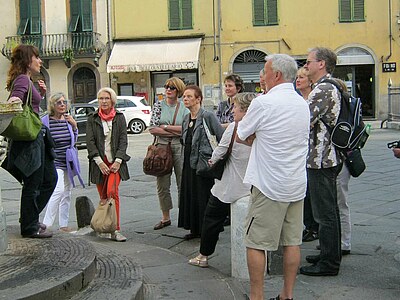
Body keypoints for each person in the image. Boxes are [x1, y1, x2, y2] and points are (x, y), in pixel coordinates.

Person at [237, 54, 310, 300]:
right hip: (296, 183)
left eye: (265, 71)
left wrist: (258, 137)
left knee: (256, 243)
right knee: (292, 242)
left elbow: (242, 134)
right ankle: (287, 296)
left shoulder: (263, 102)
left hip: (269, 184)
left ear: (276, 75)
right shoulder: (302, 103)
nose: (263, 76)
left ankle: (256, 296)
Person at [188, 92, 256, 268]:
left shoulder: (234, 128)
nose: (232, 110)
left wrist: (212, 161)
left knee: (211, 219)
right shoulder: (261, 130)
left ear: (245, 111)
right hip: (252, 187)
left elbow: (219, 152)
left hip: (229, 186)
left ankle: (203, 256)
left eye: (236, 107)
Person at [3, 44, 57, 238]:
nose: (40, 60)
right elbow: (15, 100)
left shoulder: (27, 80)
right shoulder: (23, 80)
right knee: (33, 184)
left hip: (36, 138)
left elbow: (30, 107)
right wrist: (13, 102)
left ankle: (29, 218)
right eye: (37, 57)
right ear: (28, 60)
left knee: (50, 179)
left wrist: (40, 95)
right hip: (29, 141)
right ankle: (29, 227)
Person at [300, 47, 343, 276]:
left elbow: (303, 120)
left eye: (309, 62)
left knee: (325, 214)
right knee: (328, 212)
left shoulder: (323, 89)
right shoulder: (325, 87)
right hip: (325, 158)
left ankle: (329, 263)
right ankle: (328, 254)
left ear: (322, 64)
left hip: (322, 159)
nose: (306, 65)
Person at [178, 85, 224, 240]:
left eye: (189, 96)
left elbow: (220, 135)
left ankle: (207, 230)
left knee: (203, 195)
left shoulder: (207, 116)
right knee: (191, 195)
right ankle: (195, 228)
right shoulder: (186, 118)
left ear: (198, 99)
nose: (185, 99)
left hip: (203, 163)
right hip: (188, 162)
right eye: (184, 96)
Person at [86, 87, 130, 242]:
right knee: (104, 197)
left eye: (106, 98)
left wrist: (118, 160)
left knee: (112, 192)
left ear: (112, 100)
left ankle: (116, 230)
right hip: (99, 163)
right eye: (100, 99)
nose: (103, 101)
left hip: (115, 163)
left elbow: (124, 140)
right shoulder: (92, 118)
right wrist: (99, 162)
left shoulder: (119, 117)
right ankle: (104, 225)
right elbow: (90, 142)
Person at [149, 77, 189, 230]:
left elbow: (186, 129)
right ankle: (165, 217)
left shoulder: (184, 107)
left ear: (178, 90)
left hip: (180, 147)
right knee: (162, 184)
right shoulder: (159, 105)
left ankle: (184, 215)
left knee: (182, 183)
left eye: (172, 87)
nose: (168, 90)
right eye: (166, 87)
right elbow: (152, 128)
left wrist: (165, 127)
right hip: (161, 147)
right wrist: (174, 129)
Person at [41, 93, 84, 232]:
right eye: (58, 102)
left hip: (68, 161)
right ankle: (46, 225)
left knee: (67, 192)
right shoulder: (46, 121)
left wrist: (75, 126)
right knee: (58, 191)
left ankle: (63, 225)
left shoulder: (68, 120)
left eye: (64, 102)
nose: (62, 105)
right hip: (54, 161)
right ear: (52, 105)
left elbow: (73, 140)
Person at [296, 67, 319, 243]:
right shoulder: (297, 100)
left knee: (312, 192)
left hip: (314, 150)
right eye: (296, 77)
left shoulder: (313, 99)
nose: (298, 80)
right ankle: (308, 224)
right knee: (304, 191)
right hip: (300, 150)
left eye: (302, 77)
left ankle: (314, 227)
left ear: (309, 80)